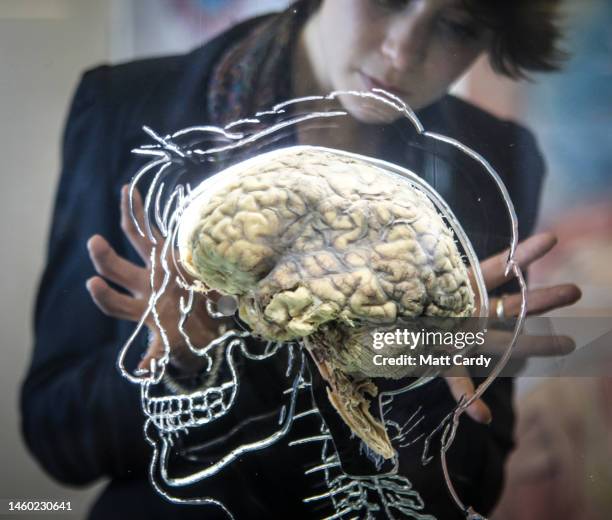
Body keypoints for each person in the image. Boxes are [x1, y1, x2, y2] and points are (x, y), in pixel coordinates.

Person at [20, 1, 581, 518]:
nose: (403, 52)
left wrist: (394, 363)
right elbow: (59, 436)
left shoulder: (492, 162)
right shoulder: (127, 108)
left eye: (456, 25)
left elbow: (476, 482)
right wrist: (188, 367)